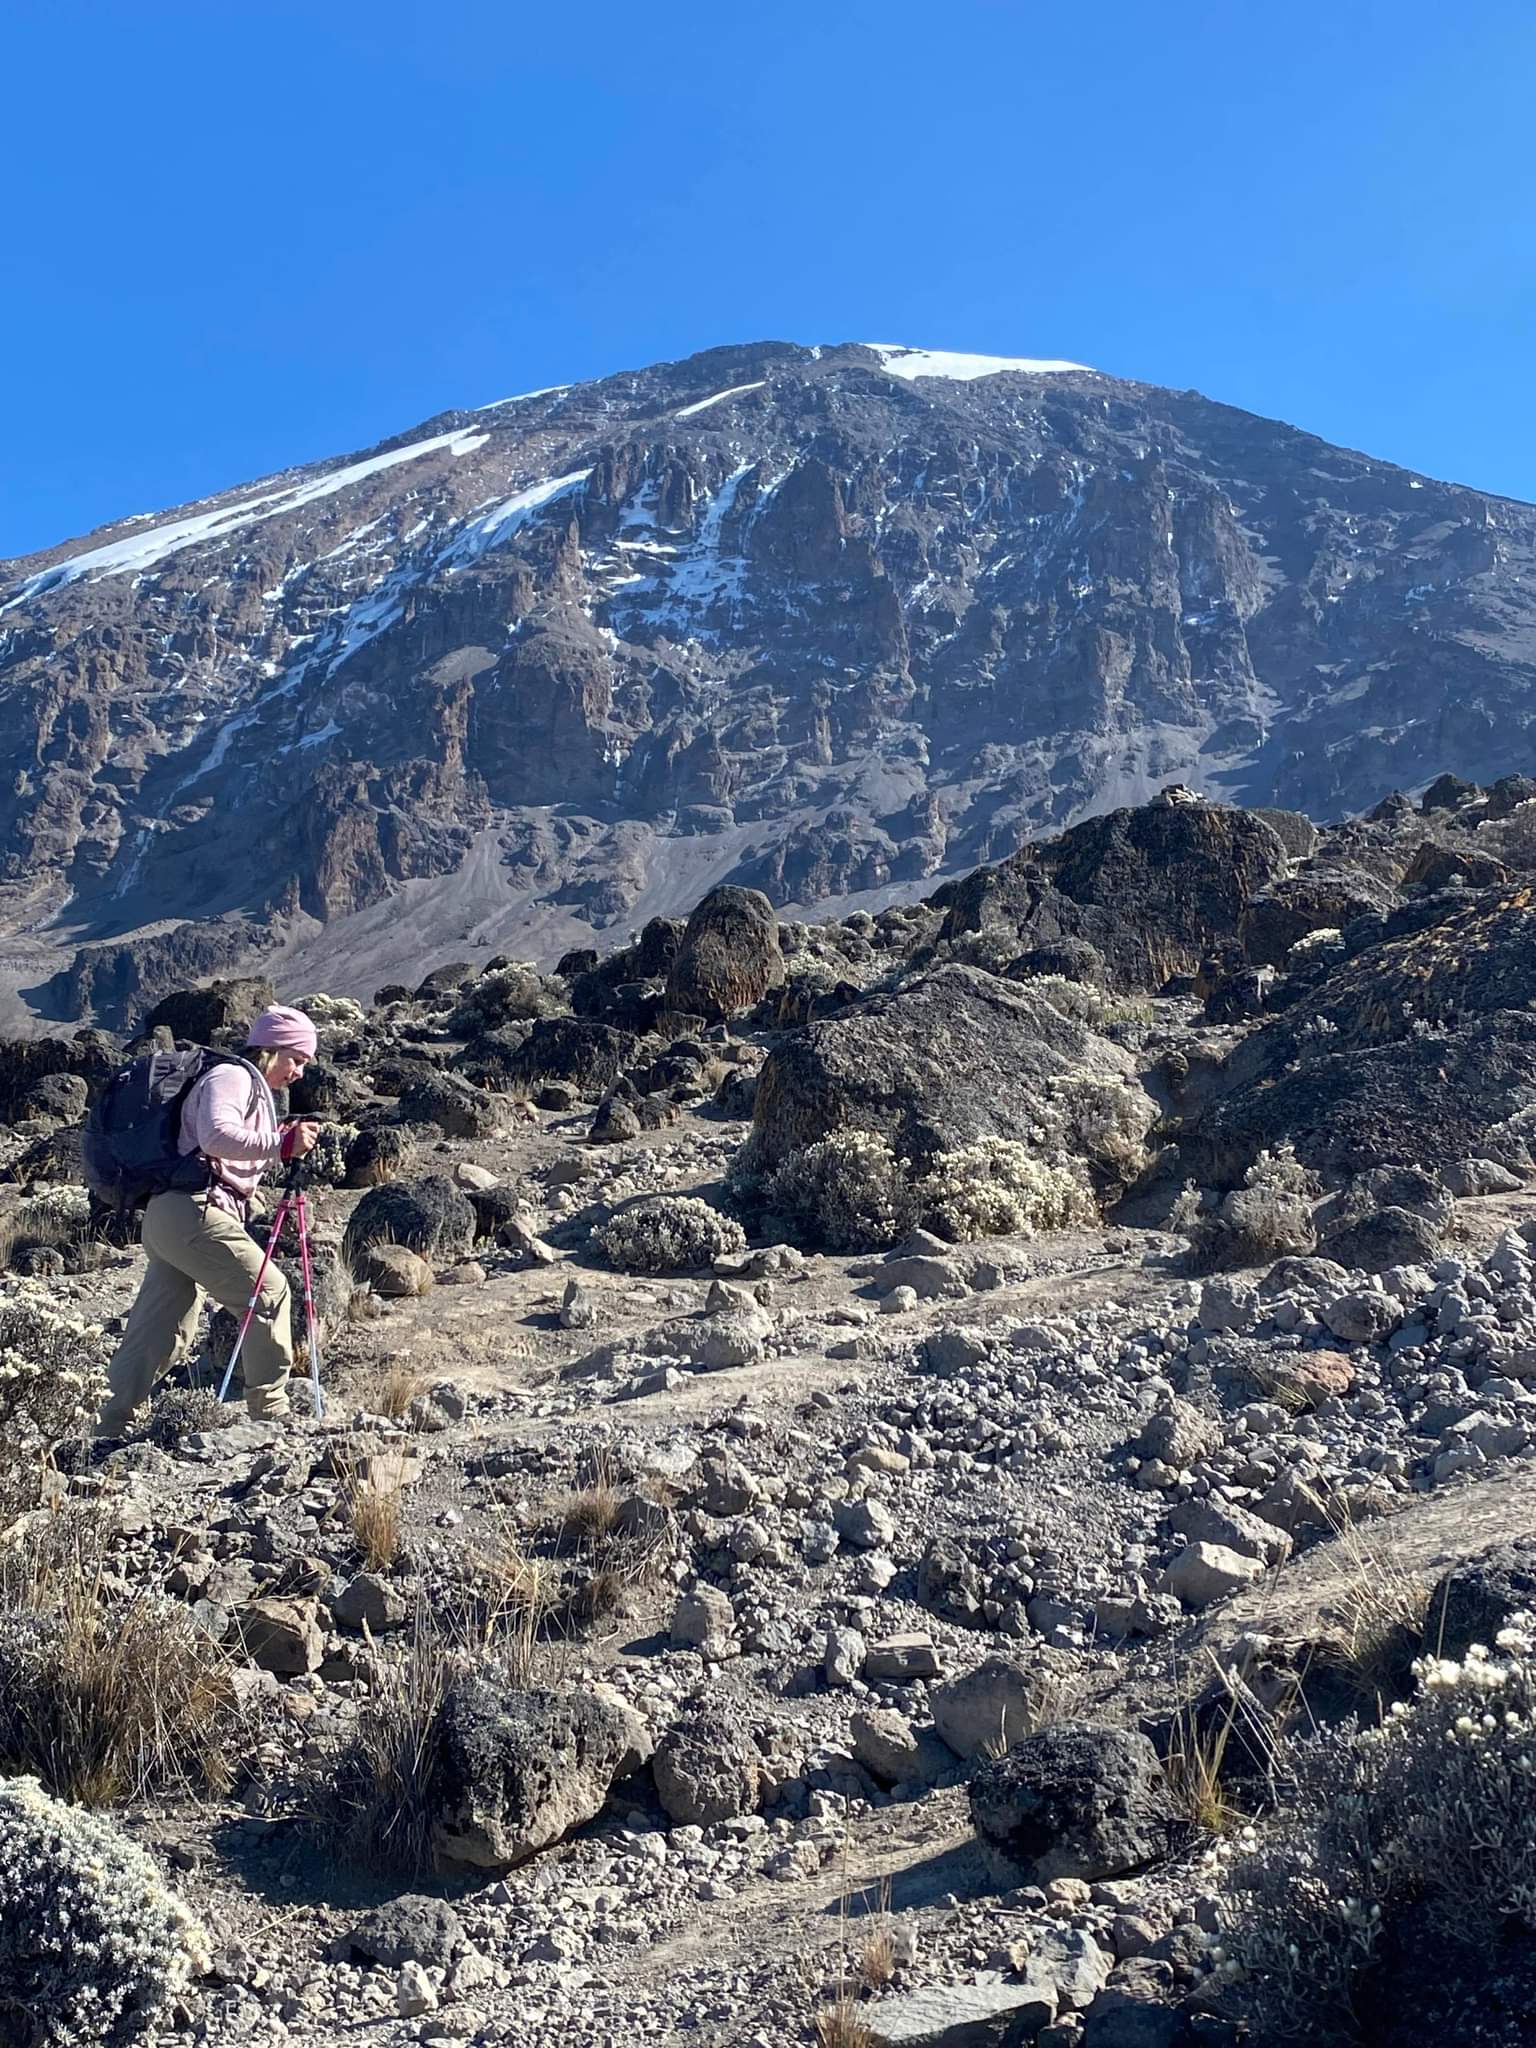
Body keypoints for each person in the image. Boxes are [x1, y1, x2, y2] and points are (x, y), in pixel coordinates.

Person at [94, 1005, 322, 1439]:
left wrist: (277, 1144)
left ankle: (109, 1424)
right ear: (273, 1048)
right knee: (269, 1293)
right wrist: (281, 1143)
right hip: (191, 1212)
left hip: (172, 1218)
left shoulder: (247, 1086)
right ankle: (271, 1410)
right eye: (297, 1059)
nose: (299, 1073)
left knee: (161, 1326)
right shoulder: (234, 1077)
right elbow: (215, 1136)